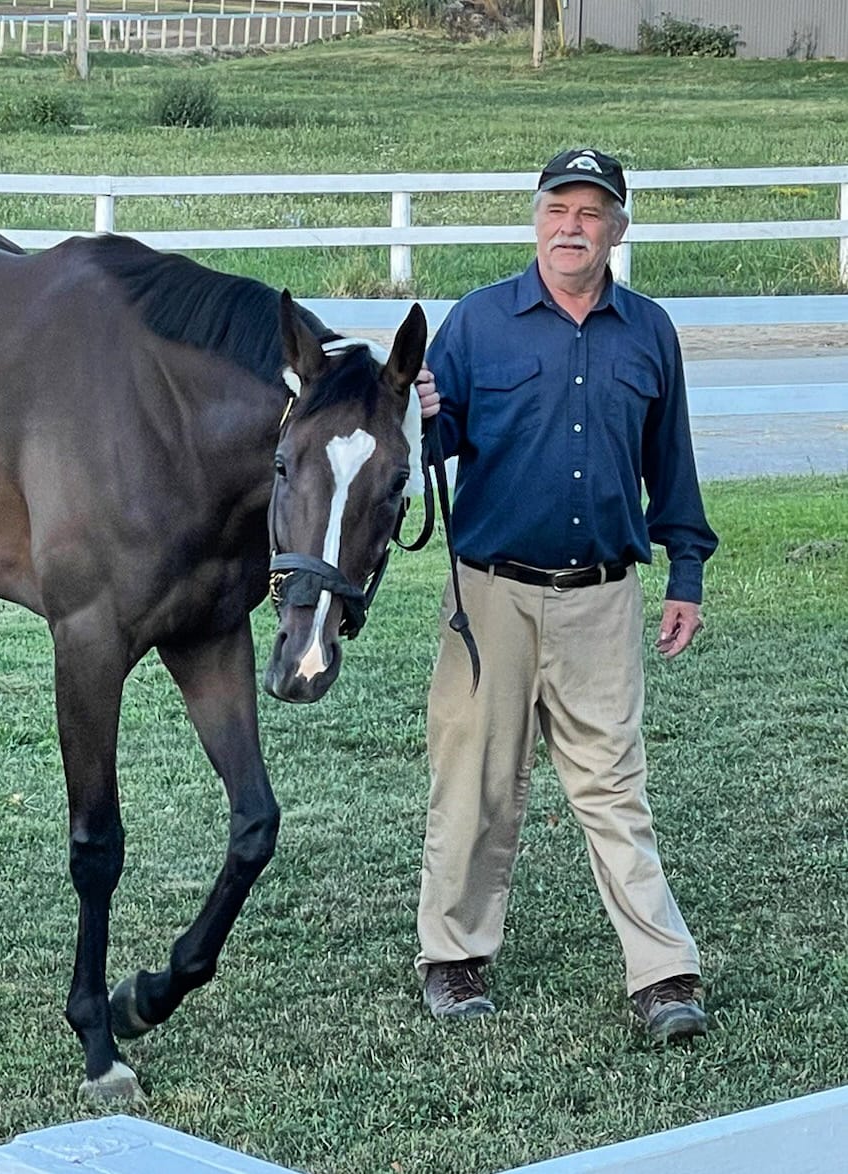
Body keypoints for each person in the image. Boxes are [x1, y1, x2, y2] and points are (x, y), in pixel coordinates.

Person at [412, 148, 718, 1043]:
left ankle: (664, 975)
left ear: (617, 229)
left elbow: (675, 464)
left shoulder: (649, 332)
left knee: (614, 787)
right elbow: (429, 451)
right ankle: (453, 958)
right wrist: (421, 414)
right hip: (490, 597)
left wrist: (686, 573)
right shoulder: (476, 325)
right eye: (557, 211)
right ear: (535, 220)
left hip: (603, 600)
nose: (571, 228)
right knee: (474, 782)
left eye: (591, 213)